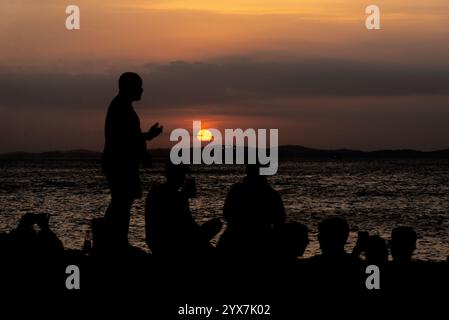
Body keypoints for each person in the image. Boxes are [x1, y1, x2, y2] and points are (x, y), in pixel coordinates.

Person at [102, 72, 163, 248]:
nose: (142, 90)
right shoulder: (120, 107)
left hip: (121, 163)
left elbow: (131, 136)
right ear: (130, 87)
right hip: (119, 164)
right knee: (121, 202)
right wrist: (145, 142)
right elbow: (125, 138)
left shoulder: (122, 106)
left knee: (122, 202)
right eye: (139, 86)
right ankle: (116, 242)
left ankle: (116, 240)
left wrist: (147, 138)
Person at [145, 162, 222, 260]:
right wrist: (183, 197)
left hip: (157, 241)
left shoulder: (159, 192)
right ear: (173, 175)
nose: (184, 178)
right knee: (216, 224)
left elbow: (188, 225)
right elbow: (185, 224)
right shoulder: (174, 196)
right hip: (169, 242)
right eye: (181, 174)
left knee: (214, 224)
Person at [217, 163, 285, 259]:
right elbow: (280, 221)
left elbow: (227, 213)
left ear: (248, 172)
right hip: (262, 241)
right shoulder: (272, 194)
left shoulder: (236, 190)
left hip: (233, 239)